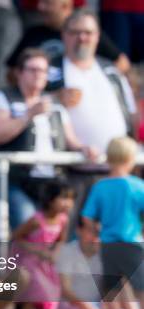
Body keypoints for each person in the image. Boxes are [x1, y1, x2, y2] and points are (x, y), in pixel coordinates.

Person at [47, 9, 139, 233]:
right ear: (64, 35)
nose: (82, 38)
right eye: (75, 32)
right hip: (72, 172)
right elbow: (30, 100)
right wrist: (54, 97)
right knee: (70, 239)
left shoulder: (111, 71)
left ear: (98, 36)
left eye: (88, 32)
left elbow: (131, 114)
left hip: (115, 171)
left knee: (114, 238)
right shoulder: (51, 70)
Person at [0, 48, 91, 230]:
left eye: (43, 70)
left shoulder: (54, 103)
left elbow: (71, 140)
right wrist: (28, 115)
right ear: (19, 72)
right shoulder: (4, 98)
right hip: (18, 180)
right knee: (28, 232)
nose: (38, 75)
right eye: (32, 70)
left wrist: (85, 149)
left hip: (52, 182)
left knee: (56, 234)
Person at [81, 136, 144, 309]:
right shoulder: (136, 185)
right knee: (140, 288)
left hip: (108, 244)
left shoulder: (101, 187)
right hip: (133, 243)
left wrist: (94, 231)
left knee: (112, 289)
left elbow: (88, 216)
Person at [55, 218, 142, 309]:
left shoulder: (105, 253)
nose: (96, 237)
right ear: (79, 231)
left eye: (99, 232)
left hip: (100, 306)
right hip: (72, 306)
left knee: (121, 283)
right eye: (92, 231)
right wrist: (86, 306)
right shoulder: (67, 251)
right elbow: (65, 290)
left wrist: (106, 308)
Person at [12, 180, 74, 309]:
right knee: (36, 288)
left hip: (46, 262)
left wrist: (54, 253)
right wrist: (37, 251)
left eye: (70, 199)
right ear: (50, 200)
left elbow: (61, 239)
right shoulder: (36, 220)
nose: (67, 203)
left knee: (52, 292)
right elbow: (16, 238)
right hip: (29, 261)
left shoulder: (63, 220)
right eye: (63, 198)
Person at [7, 0, 130, 74]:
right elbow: (11, 72)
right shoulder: (33, 34)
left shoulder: (86, 35)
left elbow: (122, 63)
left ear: (65, 7)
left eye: (47, 3)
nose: (40, 7)